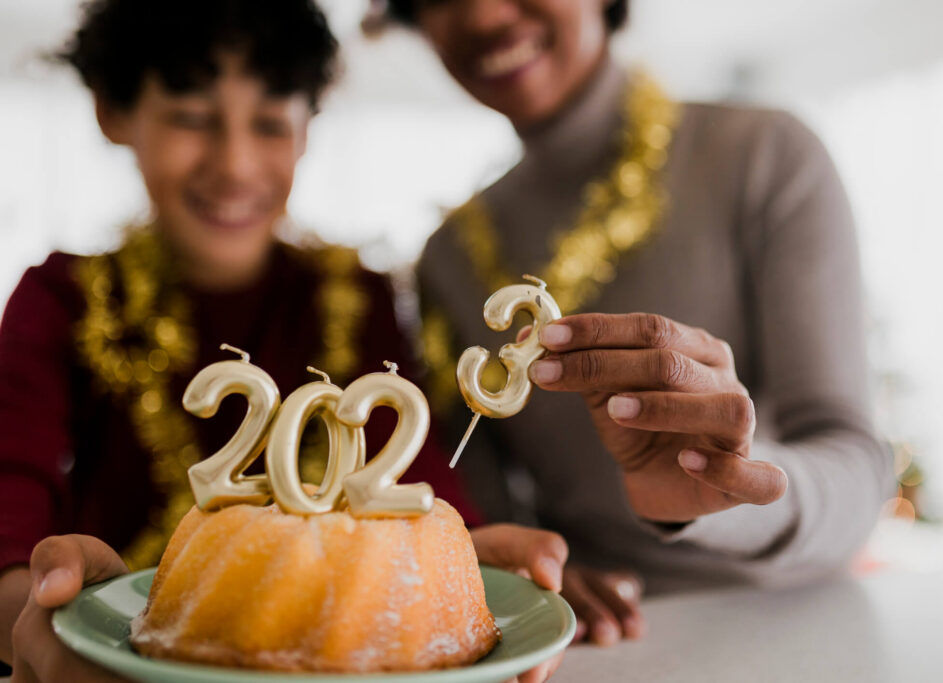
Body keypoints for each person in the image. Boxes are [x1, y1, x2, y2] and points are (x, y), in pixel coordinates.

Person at [0, 2, 566, 681]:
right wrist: (34, 610)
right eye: (190, 117)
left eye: (270, 124)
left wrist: (470, 565)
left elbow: (411, 477)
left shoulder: (356, 297)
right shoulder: (60, 298)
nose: (236, 163)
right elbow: (9, 514)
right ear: (113, 113)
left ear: (307, 133)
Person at [385, 0, 892, 646]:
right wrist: (531, 574)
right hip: (591, 649)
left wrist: (726, 486)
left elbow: (855, 465)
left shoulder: (765, 155)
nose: (484, 15)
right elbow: (489, 521)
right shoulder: (449, 255)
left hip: (798, 633)